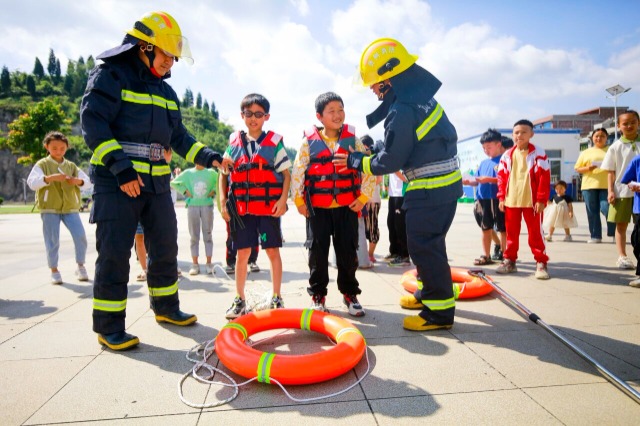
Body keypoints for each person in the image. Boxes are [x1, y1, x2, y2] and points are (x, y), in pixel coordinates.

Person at [80, 11, 232, 351]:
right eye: (165, 53)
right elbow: (93, 123)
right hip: (117, 183)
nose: (170, 61)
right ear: (144, 47)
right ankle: (109, 326)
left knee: (165, 246)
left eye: (173, 55)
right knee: (115, 253)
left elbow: (178, 137)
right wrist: (121, 168)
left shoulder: (166, 91)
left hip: (157, 183)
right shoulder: (111, 75)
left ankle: (166, 308)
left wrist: (210, 157)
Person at [334, 38, 461, 330]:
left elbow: (390, 161)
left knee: (424, 247)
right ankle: (429, 293)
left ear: (390, 78)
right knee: (430, 245)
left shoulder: (403, 109)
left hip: (430, 190)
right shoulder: (420, 99)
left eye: (375, 82)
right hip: (443, 188)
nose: (371, 88)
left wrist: (357, 161)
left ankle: (439, 314)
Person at [292, 91, 375, 316]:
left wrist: (363, 197)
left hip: (347, 208)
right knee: (317, 254)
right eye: (332, 111)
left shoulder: (353, 140)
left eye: (341, 110)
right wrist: (299, 200)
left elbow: (367, 169)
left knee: (348, 253)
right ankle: (318, 296)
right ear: (320, 116)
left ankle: (350, 294)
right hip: (316, 209)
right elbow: (298, 171)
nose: (338, 115)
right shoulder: (308, 142)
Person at [219, 93, 291, 319]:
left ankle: (276, 296)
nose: (253, 119)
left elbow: (286, 175)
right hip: (242, 211)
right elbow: (223, 175)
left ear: (266, 117)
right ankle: (239, 298)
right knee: (242, 253)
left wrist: (282, 200)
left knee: (272, 251)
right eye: (248, 114)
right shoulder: (233, 145)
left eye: (258, 114)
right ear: (242, 115)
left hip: (268, 209)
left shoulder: (274, 144)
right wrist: (223, 202)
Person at [27, 131, 91, 285]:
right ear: (47, 147)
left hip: (70, 208)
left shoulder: (71, 166)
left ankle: (80, 266)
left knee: (80, 235)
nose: (58, 151)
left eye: (62, 148)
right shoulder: (42, 164)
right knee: (52, 240)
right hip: (50, 208)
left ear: (66, 148)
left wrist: (77, 181)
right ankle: (54, 270)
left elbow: (88, 182)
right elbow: (32, 182)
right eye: (54, 148)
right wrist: (49, 179)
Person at [495, 119, 551, 279]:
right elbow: (501, 178)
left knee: (536, 234)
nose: (519, 135)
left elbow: (544, 178)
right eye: (516, 132)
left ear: (531, 134)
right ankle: (510, 261)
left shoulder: (539, 153)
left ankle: (541, 262)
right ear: (512, 135)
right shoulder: (507, 155)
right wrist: (501, 198)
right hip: (511, 201)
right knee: (511, 234)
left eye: (524, 132)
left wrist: (541, 199)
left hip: (532, 202)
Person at [600, 110, 640, 270]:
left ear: (639, 123)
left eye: (633, 122)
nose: (629, 126)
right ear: (618, 126)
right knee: (621, 225)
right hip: (622, 191)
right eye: (625, 123)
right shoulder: (615, 147)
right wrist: (610, 191)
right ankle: (622, 256)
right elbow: (611, 171)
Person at [462, 129, 507, 265]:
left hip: (498, 199)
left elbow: (507, 180)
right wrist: (471, 182)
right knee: (485, 228)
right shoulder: (483, 163)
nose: (486, 150)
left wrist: (488, 179)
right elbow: (478, 179)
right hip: (483, 199)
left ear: (498, 144)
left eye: (489, 147)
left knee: (502, 229)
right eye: (483, 148)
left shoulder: (505, 161)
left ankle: (506, 256)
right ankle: (486, 255)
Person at [170, 163, 218, 275]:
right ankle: (195, 264)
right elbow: (174, 183)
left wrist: (214, 190)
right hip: (193, 206)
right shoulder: (188, 173)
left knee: (208, 234)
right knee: (194, 236)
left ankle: (209, 263)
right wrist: (185, 191)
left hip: (207, 206)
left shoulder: (211, 172)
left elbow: (222, 180)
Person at [574, 128, 615, 243]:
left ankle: (613, 233)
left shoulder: (611, 150)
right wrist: (589, 168)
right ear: (592, 138)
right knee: (592, 212)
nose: (599, 138)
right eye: (596, 136)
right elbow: (577, 168)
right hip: (589, 186)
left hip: (607, 185)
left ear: (606, 138)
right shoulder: (586, 152)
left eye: (602, 136)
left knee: (607, 209)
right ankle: (595, 236)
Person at [618, 112, 640, 288]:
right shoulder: (636, 160)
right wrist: (635, 185)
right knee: (637, 239)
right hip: (639, 207)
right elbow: (626, 179)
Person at [361, 136, 383, 263]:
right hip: (362, 201)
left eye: (364, 147)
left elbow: (379, 179)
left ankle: (370, 254)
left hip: (372, 200)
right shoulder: (361, 160)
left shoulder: (376, 160)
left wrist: (365, 182)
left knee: (372, 228)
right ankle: (363, 254)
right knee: (362, 229)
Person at [385, 172, 411, 266]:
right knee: (391, 224)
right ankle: (394, 252)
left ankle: (404, 256)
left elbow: (406, 178)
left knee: (400, 226)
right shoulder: (393, 159)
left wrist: (395, 169)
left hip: (401, 195)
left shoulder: (402, 160)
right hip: (392, 195)